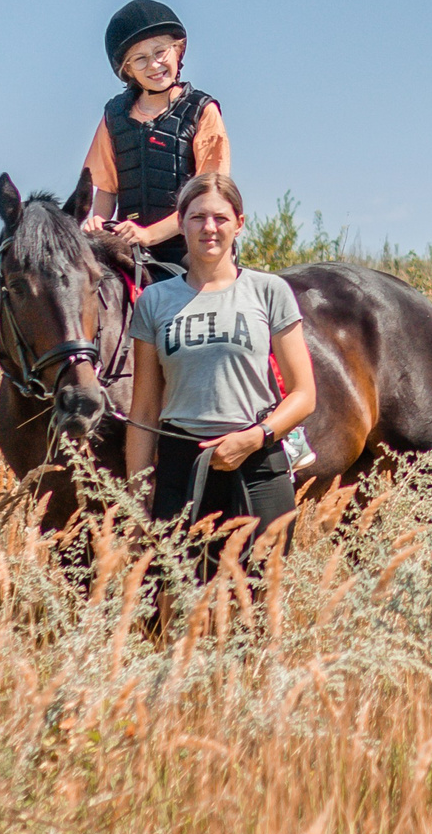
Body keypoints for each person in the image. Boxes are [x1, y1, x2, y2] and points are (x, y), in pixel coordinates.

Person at [125, 173, 316, 567]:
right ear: (181, 224)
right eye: (197, 217)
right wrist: (136, 497)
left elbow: (304, 395)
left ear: (239, 224)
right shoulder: (153, 301)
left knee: (259, 603)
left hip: (258, 463)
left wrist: (253, 438)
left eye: (220, 218)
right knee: (181, 603)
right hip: (183, 466)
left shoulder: (268, 291)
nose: (209, 227)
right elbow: (143, 411)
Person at [81, 0, 231, 284]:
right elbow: (107, 189)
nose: (154, 64)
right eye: (140, 59)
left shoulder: (202, 112)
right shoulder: (114, 116)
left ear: (178, 51)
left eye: (160, 51)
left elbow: (210, 196)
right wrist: (98, 224)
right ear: (128, 70)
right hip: (130, 245)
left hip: (191, 245)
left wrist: (149, 234)